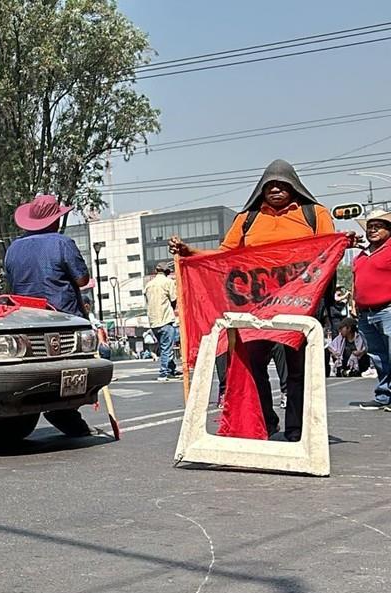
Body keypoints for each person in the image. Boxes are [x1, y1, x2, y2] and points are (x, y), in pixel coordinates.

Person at [170, 159, 341, 441]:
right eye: (269, 185)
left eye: (282, 184)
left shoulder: (315, 214)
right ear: (261, 189)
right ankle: (265, 422)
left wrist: (342, 242)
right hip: (254, 306)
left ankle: (297, 429)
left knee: (297, 369)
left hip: (299, 304)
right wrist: (190, 252)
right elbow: (224, 257)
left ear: (294, 187)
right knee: (253, 363)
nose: (275, 189)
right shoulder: (246, 219)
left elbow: (327, 250)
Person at [3, 194, 95, 437]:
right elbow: (82, 279)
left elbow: (11, 285)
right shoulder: (62, 243)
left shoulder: (13, 248)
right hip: (62, 317)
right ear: (55, 220)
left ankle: (60, 412)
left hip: (25, 319)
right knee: (71, 370)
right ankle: (63, 412)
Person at [354, 209, 391, 409]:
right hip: (365, 312)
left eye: (378, 226)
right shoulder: (361, 254)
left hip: (388, 310)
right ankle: (384, 395)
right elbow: (357, 280)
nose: (373, 230)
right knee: (378, 357)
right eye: (370, 227)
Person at [144, 260, 180, 381]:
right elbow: (174, 299)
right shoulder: (168, 282)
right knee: (167, 348)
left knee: (165, 346)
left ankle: (171, 369)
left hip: (153, 322)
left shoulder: (149, 285)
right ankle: (164, 372)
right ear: (167, 272)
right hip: (165, 319)